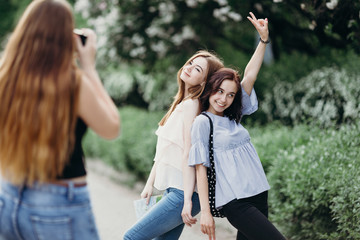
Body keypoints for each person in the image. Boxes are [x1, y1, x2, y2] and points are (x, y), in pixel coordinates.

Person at [0, 0, 120, 240]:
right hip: (60, 203)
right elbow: (111, 128)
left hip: (9, 196)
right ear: (66, 36)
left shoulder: (6, 75)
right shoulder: (73, 83)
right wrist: (89, 67)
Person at [188, 14, 287, 240]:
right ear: (211, 89)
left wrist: (263, 40)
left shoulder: (233, 117)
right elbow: (200, 169)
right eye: (220, 91)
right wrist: (205, 212)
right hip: (235, 201)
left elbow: (250, 74)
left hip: (259, 192)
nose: (224, 99)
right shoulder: (203, 122)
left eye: (231, 94)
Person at [123, 50, 224, 240]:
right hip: (175, 190)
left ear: (204, 81)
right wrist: (150, 183)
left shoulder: (191, 105)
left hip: (182, 192)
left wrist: (186, 200)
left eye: (197, 69)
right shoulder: (182, 103)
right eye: (190, 63)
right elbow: (165, 151)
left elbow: (189, 152)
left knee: (131, 237)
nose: (189, 68)